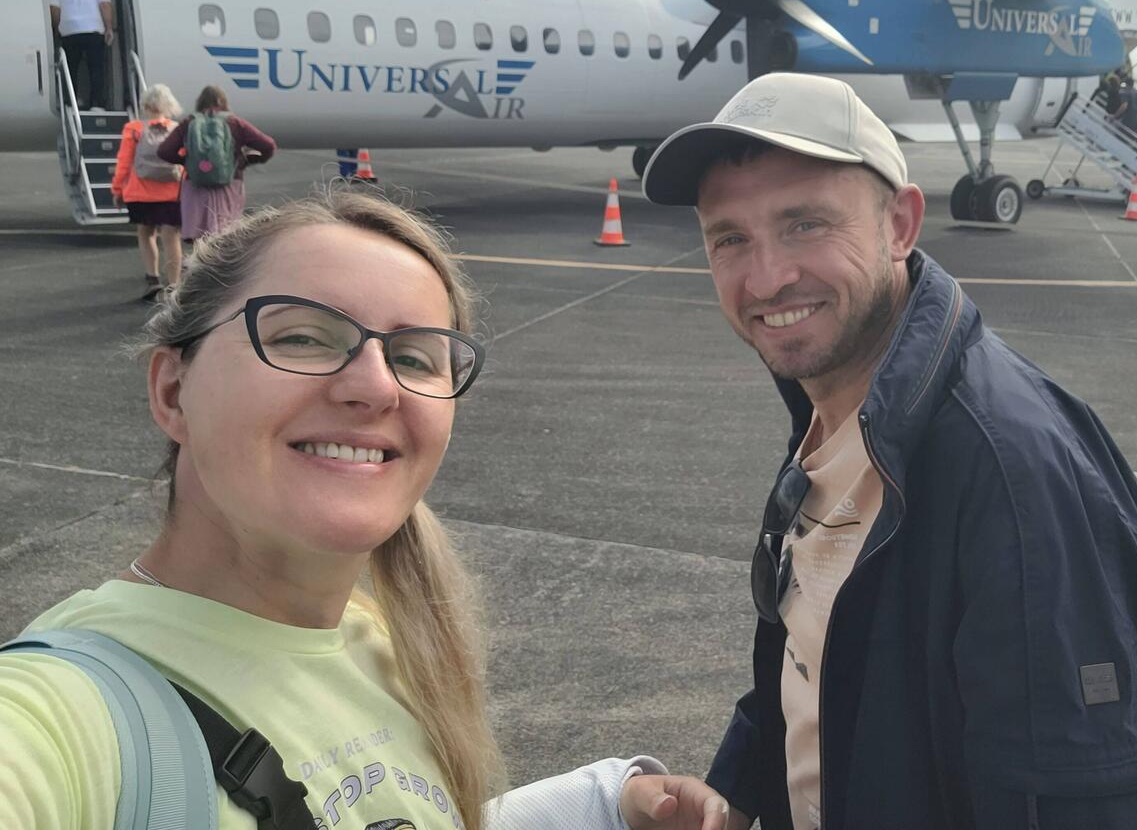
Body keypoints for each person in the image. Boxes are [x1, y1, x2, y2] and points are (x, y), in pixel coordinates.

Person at [0, 187, 730, 830]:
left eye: (413, 357)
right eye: (302, 338)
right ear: (172, 391)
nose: (376, 387)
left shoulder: (384, 641)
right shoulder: (62, 717)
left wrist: (601, 805)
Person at [642, 74, 1137, 830]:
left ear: (899, 226)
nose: (766, 278)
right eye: (730, 238)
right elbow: (813, 666)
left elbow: (1088, 800)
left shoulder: (1012, 475)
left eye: (805, 224)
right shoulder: (837, 411)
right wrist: (736, 797)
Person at [158, 85, 277, 243]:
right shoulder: (234, 123)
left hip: (196, 183)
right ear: (222, 101)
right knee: (227, 236)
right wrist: (246, 161)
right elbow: (268, 145)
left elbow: (164, 151)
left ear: (200, 101)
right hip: (229, 183)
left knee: (199, 239)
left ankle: (199, 259)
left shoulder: (189, 122)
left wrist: (188, 162)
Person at [110, 83, 184, 300]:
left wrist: (117, 189)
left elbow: (124, 162)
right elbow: (184, 161)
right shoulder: (178, 129)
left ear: (145, 105)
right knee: (171, 238)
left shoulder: (133, 129)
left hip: (140, 193)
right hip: (171, 193)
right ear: (169, 105)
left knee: (146, 233)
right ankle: (174, 285)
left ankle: (153, 279)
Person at [48, 0, 114, 109]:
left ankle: (71, 101)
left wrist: (55, 29)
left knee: (71, 68)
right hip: (94, 31)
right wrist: (109, 28)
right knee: (96, 68)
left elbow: (55, 10)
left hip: (69, 31)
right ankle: (97, 104)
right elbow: (105, 6)